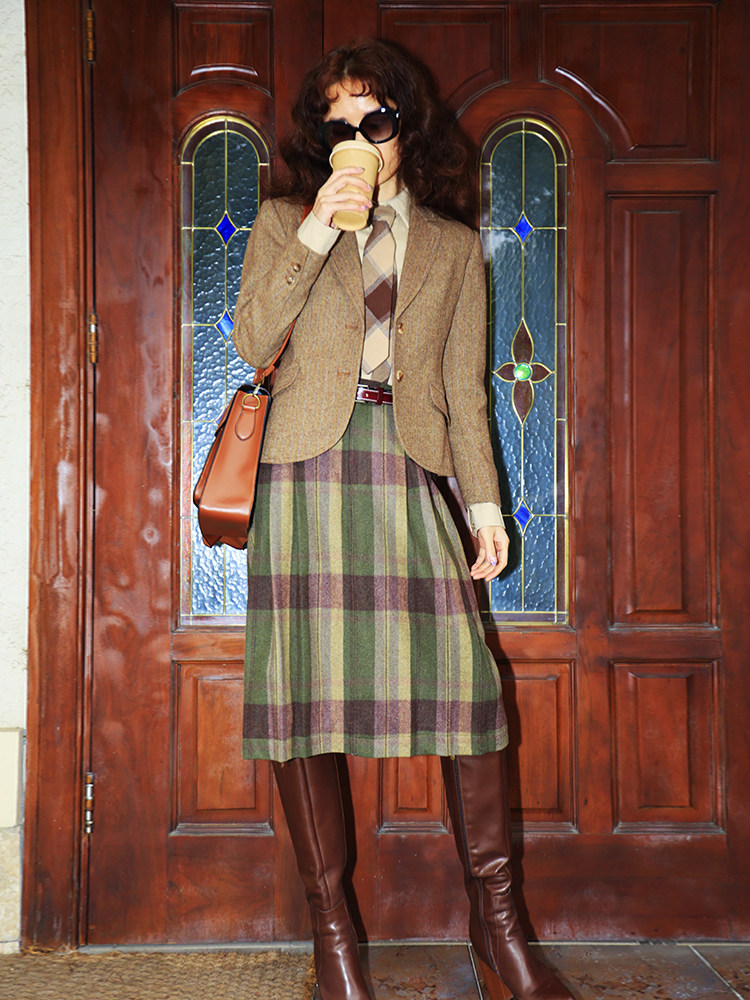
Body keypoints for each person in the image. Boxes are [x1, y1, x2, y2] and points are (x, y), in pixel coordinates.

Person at [233, 37, 573, 1000]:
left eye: (373, 120)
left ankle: (497, 929)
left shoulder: (455, 248)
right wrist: (315, 230)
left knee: (468, 694)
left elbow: (466, 391)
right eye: (336, 125)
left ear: (404, 131)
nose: (357, 139)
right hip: (302, 476)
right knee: (300, 704)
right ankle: (334, 943)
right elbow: (253, 337)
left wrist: (485, 506)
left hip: (407, 468)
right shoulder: (281, 223)